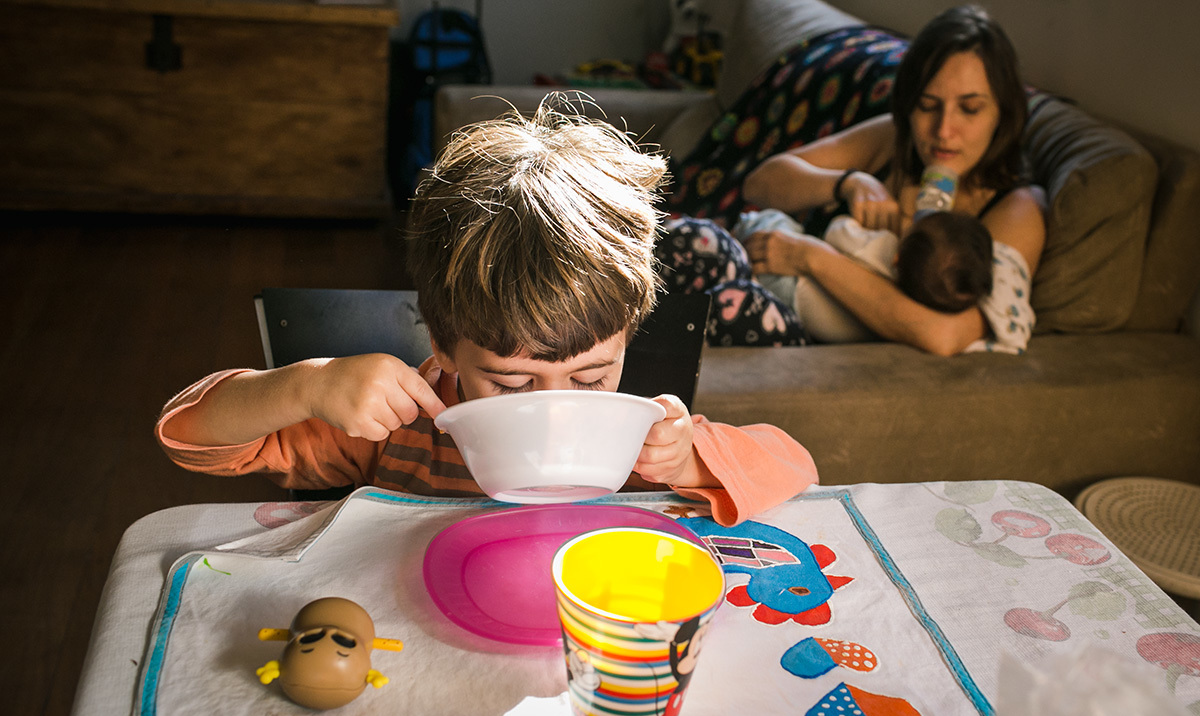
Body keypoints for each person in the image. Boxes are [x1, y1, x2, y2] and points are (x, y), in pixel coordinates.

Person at [154, 99, 818, 526]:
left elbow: (797, 470)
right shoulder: (396, 430)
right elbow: (188, 434)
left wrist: (687, 460)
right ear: (443, 346)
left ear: (626, 337)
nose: (558, 408)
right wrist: (307, 384)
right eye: (511, 382)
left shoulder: (637, 440)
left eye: (590, 378)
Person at [659, 4, 1044, 356]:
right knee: (680, 247)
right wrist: (848, 182)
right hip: (760, 272)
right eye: (928, 105)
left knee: (703, 308)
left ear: (1003, 113)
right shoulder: (897, 139)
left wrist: (808, 257)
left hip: (800, 327)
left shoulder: (1016, 210)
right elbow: (760, 183)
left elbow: (944, 336)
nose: (944, 130)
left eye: (970, 109)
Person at [732, 208, 997, 344]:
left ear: (897, 258)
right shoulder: (908, 315)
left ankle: (736, 232)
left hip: (783, 280)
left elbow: (837, 231)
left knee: (777, 222)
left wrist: (869, 225)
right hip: (789, 317)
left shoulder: (881, 247)